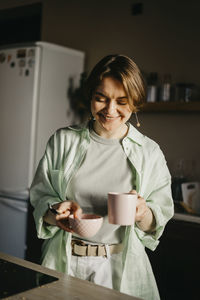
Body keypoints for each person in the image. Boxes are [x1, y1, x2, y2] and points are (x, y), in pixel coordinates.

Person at [30, 54, 174, 300]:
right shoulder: (62, 141)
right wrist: (56, 211)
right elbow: (41, 197)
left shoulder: (150, 153)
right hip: (64, 261)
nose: (110, 110)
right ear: (90, 97)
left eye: (122, 101)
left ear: (135, 102)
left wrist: (142, 213)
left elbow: (156, 221)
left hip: (120, 267)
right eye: (101, 99)